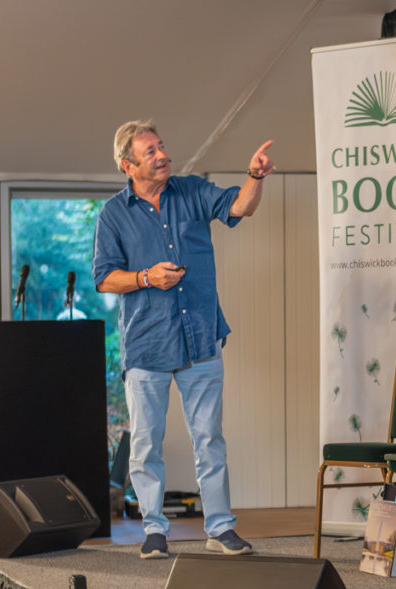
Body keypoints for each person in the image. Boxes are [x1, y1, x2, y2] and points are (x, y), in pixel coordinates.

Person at [92, 119, 274, 559]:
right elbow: (104, 278)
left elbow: (240, 207)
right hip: (147, 345)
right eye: (150, 151)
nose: (162, 155)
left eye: (161, 146)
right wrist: (145, 277)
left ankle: (220, 527)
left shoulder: (191, 191)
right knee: (145, 445)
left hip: (200, 339)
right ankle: (154, 531)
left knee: (209, 438)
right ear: (127, 165)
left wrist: (254, 176)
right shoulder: (113, 215)